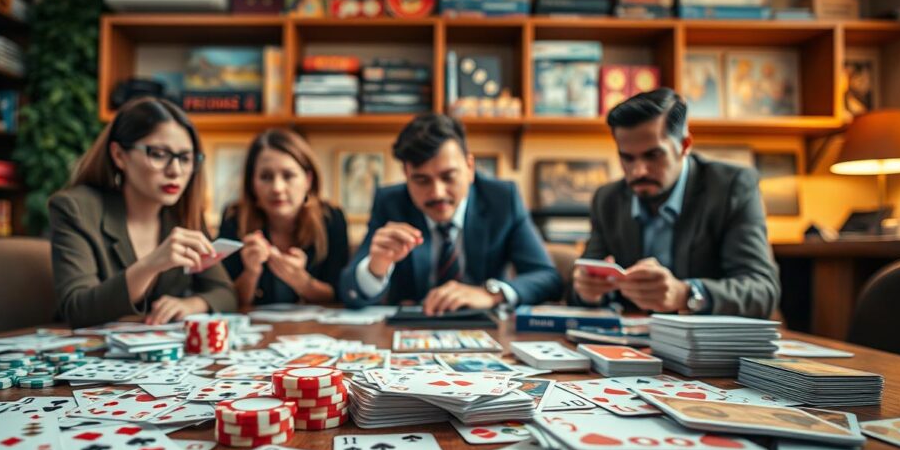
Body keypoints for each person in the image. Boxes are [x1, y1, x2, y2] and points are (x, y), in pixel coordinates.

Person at [572, 88, 780, 319]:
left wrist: (685, 294)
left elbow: (763, 291)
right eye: (627, 158)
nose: (638, 171)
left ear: (684, 145)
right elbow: (581, 288)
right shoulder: (607, 200)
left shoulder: (731, 187)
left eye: (653, 155)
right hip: (633, 344)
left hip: (707, 346)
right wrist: (589, 292)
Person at [339, 113, 562, 313]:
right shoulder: (390, 203)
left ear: (470, 168)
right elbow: (350, 292)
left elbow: (547, 278)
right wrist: (375, 268)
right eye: (421, 180)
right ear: (406, 174)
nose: (437, 193)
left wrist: (490, 294)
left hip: (490, 332)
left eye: (448, 177)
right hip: (409, 334)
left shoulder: (503, 199)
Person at [49, 97, 237, 328]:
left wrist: (191, 305)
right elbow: (76, 309)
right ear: (119, 155)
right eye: (158, 154)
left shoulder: (183, 214)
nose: (175, 170)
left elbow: (225, 293)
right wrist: (150, 265)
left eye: (185, 158)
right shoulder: (76, 208)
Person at [219, 129, 348, 306]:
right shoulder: (234, 218)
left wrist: (302, 282)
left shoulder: (331, 218)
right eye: (266, 177)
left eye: (288, 176)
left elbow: (340, 295)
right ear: (252, 184)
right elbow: (225, 300)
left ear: (308, 180)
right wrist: (251, 272)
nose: (277, 188)